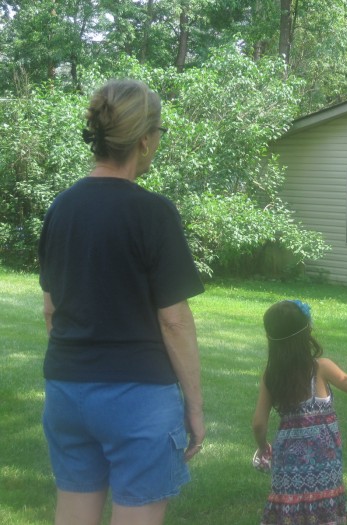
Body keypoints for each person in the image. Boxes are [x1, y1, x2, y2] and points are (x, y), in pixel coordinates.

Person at [38, 79, 205, 525]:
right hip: (139, 398)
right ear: (145, 140)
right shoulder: (153, 213)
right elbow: (174, 322)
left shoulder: (60, 208)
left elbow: (51, 310)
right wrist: (195, 407)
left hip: (66, 394)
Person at [252, 300, 347, 525]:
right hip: (325, 462)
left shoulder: (271, 375)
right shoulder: (321, 367)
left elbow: (259, 424)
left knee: (289, 508)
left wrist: (263, 448)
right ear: (307, 332)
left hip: (288, 464)